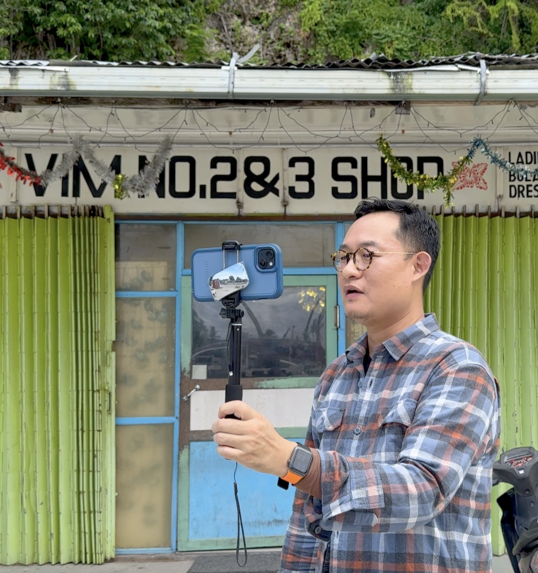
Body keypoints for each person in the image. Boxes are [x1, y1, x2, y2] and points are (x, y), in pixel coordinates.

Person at [211, 198, 501, 573]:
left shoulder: (457, 367)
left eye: (367, 256)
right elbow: (306, 507)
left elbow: (422, 491)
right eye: (344, 257)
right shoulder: (336, 375)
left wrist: (289, 459)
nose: (349, 270)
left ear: (418, 265)